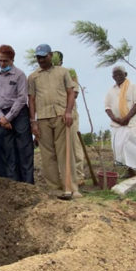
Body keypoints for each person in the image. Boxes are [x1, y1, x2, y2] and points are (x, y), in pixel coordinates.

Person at [28, 44, 80, 199]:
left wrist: (69, 112)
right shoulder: (33, 77)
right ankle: (55, 189)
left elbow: (71, 93)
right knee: (47, 155)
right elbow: (31, 99)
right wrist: (33, 121)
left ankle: (71, 187)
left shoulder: (63, 72)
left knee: (65, 153)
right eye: (38, 57)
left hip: (61, 116)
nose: (41, 60)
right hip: (43, 119)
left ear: (50, 55)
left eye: (44, 56)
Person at [0, 44, 34, 183]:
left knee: (24, 150)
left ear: (12, 60)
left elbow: (22, 98)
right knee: (9, 152)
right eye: (0, 60)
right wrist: (1, 117)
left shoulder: (20, 75)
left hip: (19, 114)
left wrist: (8, 117)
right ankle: (14, 185)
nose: (2, 63)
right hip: (3, 116)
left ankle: (28, 185)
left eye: (5, 61)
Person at [105, 65, 136, 177]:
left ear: (125, 74)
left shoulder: (133, 87)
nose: (117, 76)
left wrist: (127, 118)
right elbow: (107, 108)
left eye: (120, 74)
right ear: (112, 77)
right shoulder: (111, 90)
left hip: (130, 124)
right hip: (117, 125)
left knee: (134, 148)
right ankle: (129, 172)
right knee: (120, 149)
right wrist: (115, 119)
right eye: (115, 74)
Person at [53, 51, 86, 183]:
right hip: (54, 114)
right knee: (59, 147)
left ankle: (78, 176)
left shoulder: (69, 72)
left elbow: (75, 93)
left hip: (69, 112)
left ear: (60, 60)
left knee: (73, 144)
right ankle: (65, 176)